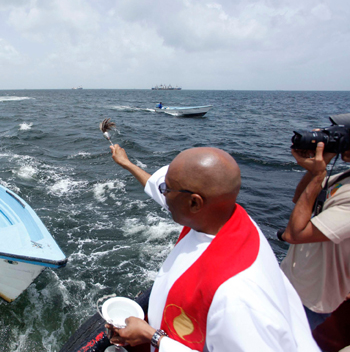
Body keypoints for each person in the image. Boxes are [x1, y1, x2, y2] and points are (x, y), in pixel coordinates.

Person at [106, 144, 319, 352]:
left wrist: (152, 337)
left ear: (195, 203)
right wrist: (127, 164)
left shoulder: (237, 295)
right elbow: (161, 187)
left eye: (167, 189)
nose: (163, 194)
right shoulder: (222, 216)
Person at [279, 114, 350, 331]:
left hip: (309, 300)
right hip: (291, 284)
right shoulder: (343, 178)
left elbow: (295, 234)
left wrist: (319, 175)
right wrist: (318, 169)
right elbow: (300, 198)